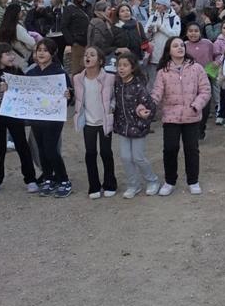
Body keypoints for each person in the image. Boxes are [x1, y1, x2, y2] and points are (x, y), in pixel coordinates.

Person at [150, 37, 209, 196]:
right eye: (175, 46)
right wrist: (149, 105)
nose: (180, 48)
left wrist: (196, 105)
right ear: (169, 50)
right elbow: (157, 92)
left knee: (191, 149)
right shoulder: (163, 72)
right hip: (171, 117)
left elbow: (205, 90)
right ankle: (169, 181)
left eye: (182, 45)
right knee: (170, 149)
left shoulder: (196, 68)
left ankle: (193, 181)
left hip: (191, 115)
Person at [0, 43, 38, 195]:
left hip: (14, 116)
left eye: (12, 54)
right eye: (8, 54)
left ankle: (30, 179)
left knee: (22, 146)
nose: (12, 57)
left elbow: (26, 89)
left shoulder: (16, 72)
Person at [20, 39, 72, 198]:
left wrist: (68, 95)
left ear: (52, 53)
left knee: (51, 149)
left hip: (53, 118)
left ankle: (64, 180)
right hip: (37, 117)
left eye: (45, 50)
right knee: (41, 149)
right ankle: (48, 177)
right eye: (38, 50)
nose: (41, 53)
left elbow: (69, 95)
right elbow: (22, 91)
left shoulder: (59, 72)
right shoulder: (31, 73)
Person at [112, 51, 160, 198]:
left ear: (132, 68)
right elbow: (115, 101)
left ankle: (153, 181)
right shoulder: (117, 84)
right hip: (123, 127)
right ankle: (133, 185)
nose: (121, 68)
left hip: (138, 127)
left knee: (138, 157)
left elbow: (151, 106)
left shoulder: (139, 86)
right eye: (119, 65)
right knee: (125, 157)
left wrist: (143, 113)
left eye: (125, 65)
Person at [73, 46, 117, 199]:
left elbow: (114, 97)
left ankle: (110, 183)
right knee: (90, 153)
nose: (87, 57)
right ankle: (94, 186)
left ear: (100, 60)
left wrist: (112, 107)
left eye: (92, 55)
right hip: (88, 122)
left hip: (104, 120)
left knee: (106, 152)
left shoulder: (110, 78)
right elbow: (76, 98)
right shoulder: (78, 78)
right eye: (86, 54)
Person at [183, 22, 216, 141]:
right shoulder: (184, 45)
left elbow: (216, 56)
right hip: (189, 80)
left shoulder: (208, 43)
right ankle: (193, 129)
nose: (193, 33)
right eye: (190, 31)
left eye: (196, 31)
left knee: (205, 106)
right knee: (191, 104)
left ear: (200, 32)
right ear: (186, 33)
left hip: (206, 77)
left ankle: (201, 129)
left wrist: (214, 66)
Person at [145, 0, 181, 82]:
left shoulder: (174, 18)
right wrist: (149, 31)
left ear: (165, 5)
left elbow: (176, 35)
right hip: (154, 55)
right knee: (154, 81)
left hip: (168, 56)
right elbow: (145, 35)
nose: (156, 6)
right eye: (156, 4)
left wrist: (161, 27)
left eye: (159, 4)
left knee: (169, 81)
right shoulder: (152, 17)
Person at [63, 0, 91, 74]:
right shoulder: (69, 9)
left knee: (89, 66)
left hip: (90, 42)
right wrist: (71, 42)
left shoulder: (90, 7)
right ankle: (76, 86)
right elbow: (64, 26)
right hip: (78, 43)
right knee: (77, 69)